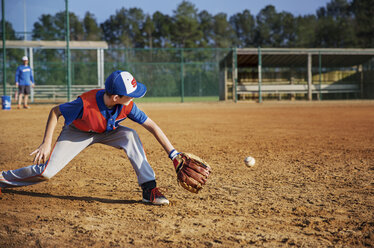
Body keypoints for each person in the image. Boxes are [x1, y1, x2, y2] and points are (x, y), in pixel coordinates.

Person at [0, 70, 182, 205]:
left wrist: (173, 154)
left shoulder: (127, 106)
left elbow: (152, 125)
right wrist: (46, 143)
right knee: (46, 172)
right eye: (130, 95)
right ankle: (2, 179)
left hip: (107, 132)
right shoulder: (84, 104)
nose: (133, 99)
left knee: (130, 135)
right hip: (78, 133)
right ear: (117, 97)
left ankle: (149, 189)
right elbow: (55, 111)